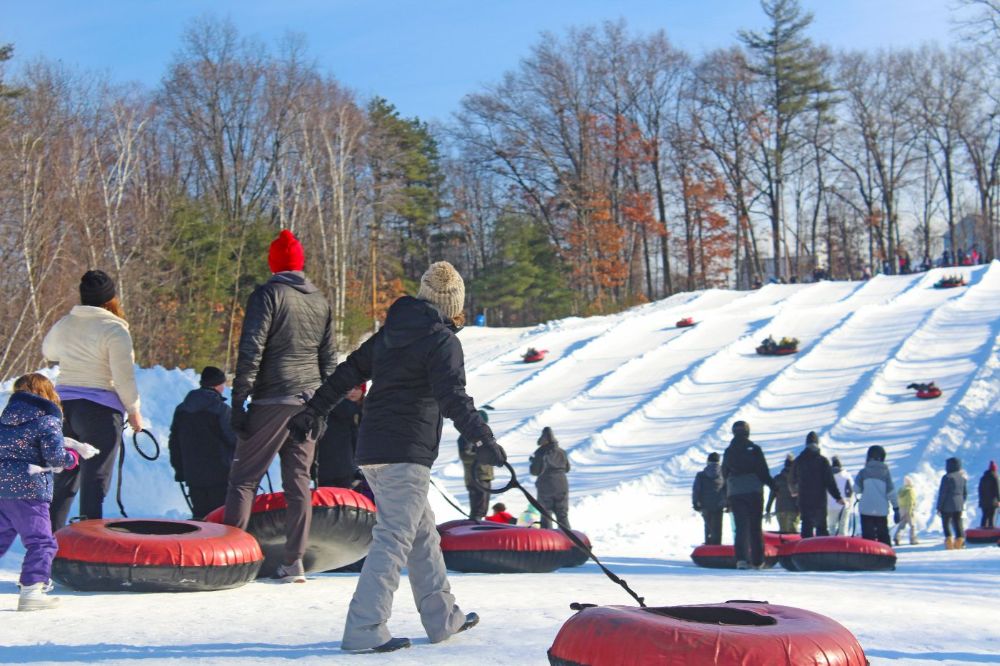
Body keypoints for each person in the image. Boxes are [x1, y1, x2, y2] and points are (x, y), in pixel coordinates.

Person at [286, 260, 500, 653]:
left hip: (373, 451)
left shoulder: (390, 335)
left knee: (421, 534)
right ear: (453, 303)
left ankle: (442, 618)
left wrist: (313, 411)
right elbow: (453, 396)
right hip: (405, 453)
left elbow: (346, 374)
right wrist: (482, 438)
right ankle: (365, 628)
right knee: (393, 538)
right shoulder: (442, 342)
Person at [224, 230, 335, 583]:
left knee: (244, 478)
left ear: (274, 263)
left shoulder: (268, 294)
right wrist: (324, 408)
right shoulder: (320, 300)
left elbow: (251, 348)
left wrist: (239, 399)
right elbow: (329, 360)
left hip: (272, 398)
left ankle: (231, 559)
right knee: (298, 482)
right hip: (308, 401)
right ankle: (294, 562)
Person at [42, 270, 143, 528]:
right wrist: (133, 411)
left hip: (63, 408)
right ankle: (89, 543)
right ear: (111, 299)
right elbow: (123, 378)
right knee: (94, 479)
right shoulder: (114, 329)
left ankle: (50, 546)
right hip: (99, 410)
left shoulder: (67, 323)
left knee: (64, 478)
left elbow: (48, 351)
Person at [0, 374, 98, 610]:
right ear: (46, 394)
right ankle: (32, 591)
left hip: (2, 490)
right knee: (42, 542)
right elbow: (54, 457)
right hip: (29, 491)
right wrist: (72, 458)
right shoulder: (47, 420)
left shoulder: (4, 420)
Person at [168, 366, 237, 519]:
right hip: (221, 475)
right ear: (219, 385)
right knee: (220, 518)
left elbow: (174, 443)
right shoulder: (222, 410)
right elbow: (234, 440)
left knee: (201, 517)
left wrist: (180, 470)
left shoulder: (182, 409)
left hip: (193, 475)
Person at [721, 421, 775, 569]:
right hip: (754, 491)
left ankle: (741, 560)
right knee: (755, 527)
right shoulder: (755, 449)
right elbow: (763, 471)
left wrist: (726, 493)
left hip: (736, 492)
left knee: (741, 526)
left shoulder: (729, 451)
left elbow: (724, 473)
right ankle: (758, 561)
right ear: (747, 432)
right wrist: (772, 485)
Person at [793, 432, 843, 538]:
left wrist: (794, 490)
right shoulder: (823, 461)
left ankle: (804, 551)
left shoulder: (799, 460)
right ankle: (822, 551)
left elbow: (791, 478)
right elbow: (830, 482)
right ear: (817, 444)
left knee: (806, 526)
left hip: (804, 500)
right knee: (821, 527)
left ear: (806, 444)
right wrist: (837, 497)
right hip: (819, 500)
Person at [314, 384, 365, 488]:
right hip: (338, 470)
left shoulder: (363, 411)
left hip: (349, 469)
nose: (352, 392)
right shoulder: (341, 410)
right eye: (349, 388)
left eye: (357, 388)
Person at [854, 445, 899, 546]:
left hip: (866, 509)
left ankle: (868, 557)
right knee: (883, 535)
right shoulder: (885, 473)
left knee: (868, 538)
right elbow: (891, 492)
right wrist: (896, 508)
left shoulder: (863, 472)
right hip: (881, 510)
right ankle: (885, 556)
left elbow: (856, 489)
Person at [529, 426, 571, 529]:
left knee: (546, 513)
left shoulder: (541, 452)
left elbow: (535, 471)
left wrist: (533, 462)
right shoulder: (562, 452)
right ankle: (569, 538)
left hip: (546, 484)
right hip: (562, 484)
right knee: (562, 514)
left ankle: (548, 541)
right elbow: (567, 468)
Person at [458, 408, 493, 520]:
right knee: (478, 509)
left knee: (483, 508)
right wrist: (481, 456)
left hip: (485, 475)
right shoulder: (467, 436)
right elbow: (465, 455)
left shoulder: (482, 436)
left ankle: (479, 527)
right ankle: (474, 527)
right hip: (476, 477)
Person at [692, 452, 726, 545]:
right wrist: (727, 502)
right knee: (718, 526)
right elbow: (726, 488)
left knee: (708, 525)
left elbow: (696, 489)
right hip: (719, 504)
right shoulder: (724, 474)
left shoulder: (701, 475)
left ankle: (708, 545)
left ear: (708, 461)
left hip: (705, 504)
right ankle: (717, 546)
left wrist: (695, 503)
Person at [937, 457, 967, 550]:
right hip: (959, 505)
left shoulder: (947, 477)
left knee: (946, 523)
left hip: (947, 505)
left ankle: (949, 542)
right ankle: (959, 542)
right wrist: (961, 502)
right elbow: (965, 493)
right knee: (957, 522)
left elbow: (943, 493)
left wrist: (939, 506)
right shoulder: (962, 478)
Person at [766, 454, 799, 534]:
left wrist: (768, 510)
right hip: (793, 509)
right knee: (793, 534)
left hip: (780, 509)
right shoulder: (797, 478)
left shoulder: (777, 478)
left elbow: (771, 496)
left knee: (783, 534)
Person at [827, 456, 853, 536]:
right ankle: (843, 544)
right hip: (844, 506)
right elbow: (850, 492)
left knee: (831, 527)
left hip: (831, 506)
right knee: (843, 527)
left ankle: (830, 544)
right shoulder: (846, 476)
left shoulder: (828, 476)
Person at [893, 476, 919, 546]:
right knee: (912, 525)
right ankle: (913, 540)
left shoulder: (901, 490)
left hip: (902, 509)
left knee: (902, 525)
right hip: (909, 508)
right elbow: (912, 500)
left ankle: (897, 537)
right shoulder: (911, 490)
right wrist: (911, 510)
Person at [977, 461, 999, 528]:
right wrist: (999, 500)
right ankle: (990, 534)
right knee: (991, 518)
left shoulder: (983, 478)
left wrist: (981, 500)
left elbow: (980, 490)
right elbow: (997, 490)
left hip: (983, 502)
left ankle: (981, 533)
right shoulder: (995, 477)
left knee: (984, 516)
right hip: (992, 502)